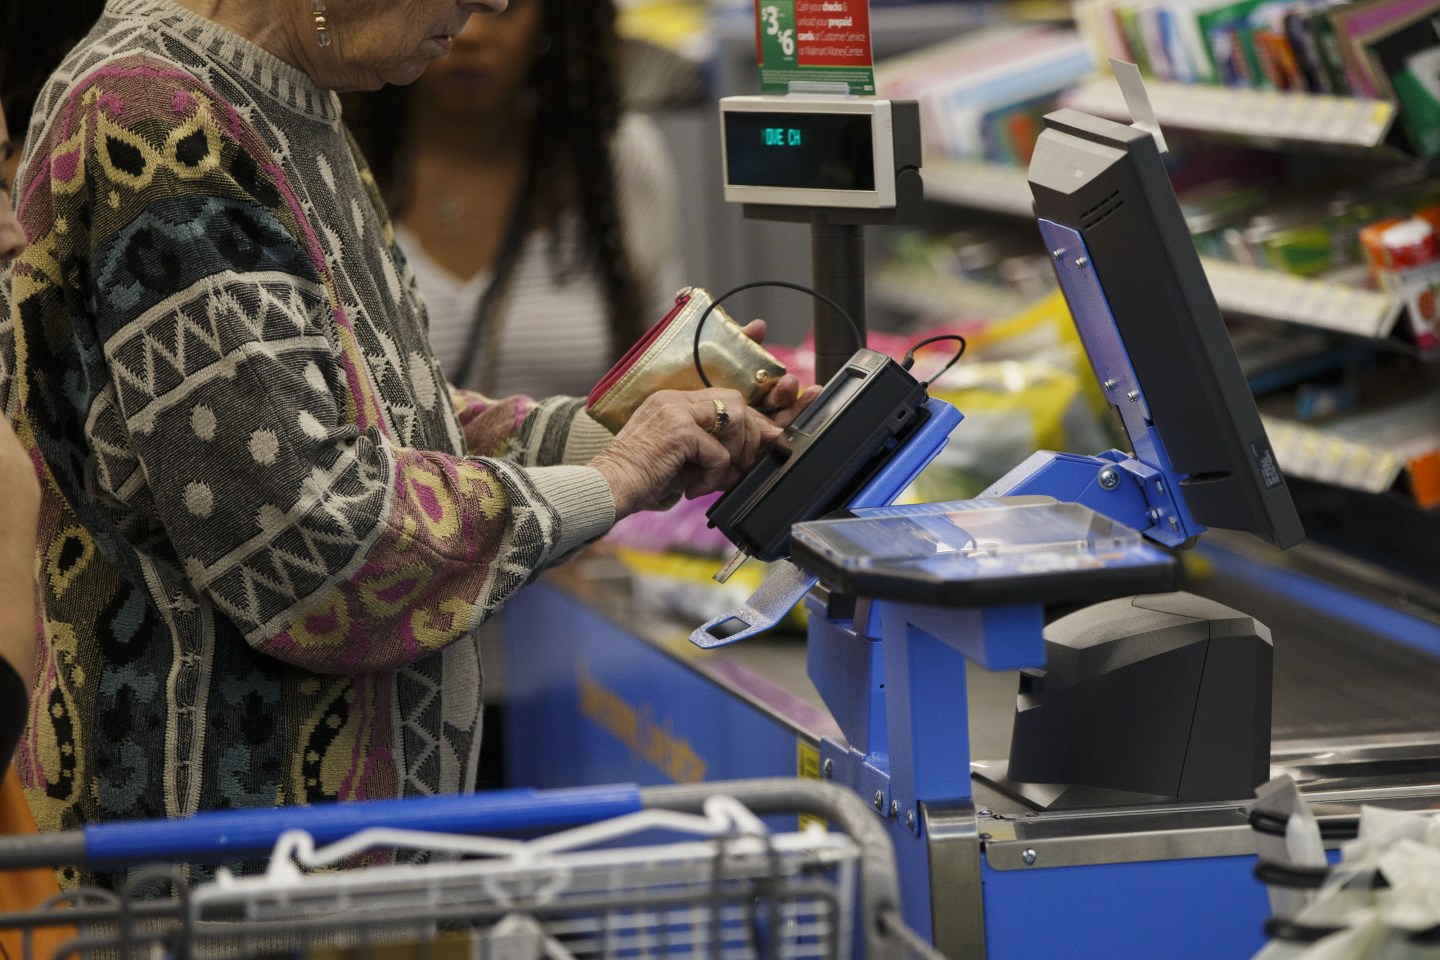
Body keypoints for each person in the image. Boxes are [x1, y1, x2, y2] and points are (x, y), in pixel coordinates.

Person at [4, 0, 808, 837]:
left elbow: (387, 411)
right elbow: (312, 546)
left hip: (323, 863)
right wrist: (610, 480)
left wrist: (627, 435)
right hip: (220, 871)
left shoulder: (286, 98)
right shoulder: (160, 124)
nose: (496, 4)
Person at [343, 0, 683, 398]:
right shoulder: (331, 159)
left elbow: (665, 373)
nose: (470, 35)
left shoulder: (617, 160)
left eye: (504, 6)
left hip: (596, 461)